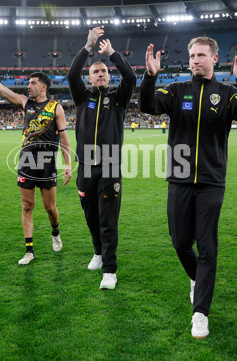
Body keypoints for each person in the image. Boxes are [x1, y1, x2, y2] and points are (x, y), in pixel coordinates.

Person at [140, 38, 237, 338]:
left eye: (201, 55)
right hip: (179, 179)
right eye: (192, 55)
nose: (195, 60)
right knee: (180, 242)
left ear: (214, 58)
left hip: (211, 181)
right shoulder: (176, 90)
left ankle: (200, 313)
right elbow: (147, 106)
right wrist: (150, 76)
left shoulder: (228, 93)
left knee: (207, 246)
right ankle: (197, 278)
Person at [0, 49, 71, 265]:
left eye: (32, 83)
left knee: (50, 208)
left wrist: (67, 164)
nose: (28, 86)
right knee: (27, 206)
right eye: (28, 83)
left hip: (47, 162)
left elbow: (65, 140)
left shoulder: (56, 108)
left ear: (43, 86)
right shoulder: (24, 103)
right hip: (26, 161)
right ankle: (29, 250)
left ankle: (55, 232)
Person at [66, 27, 136, 290]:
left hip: (109, 167)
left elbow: (130, 78)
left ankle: (110, 270)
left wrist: (113, 55)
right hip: (85, 168)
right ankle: (97, 252)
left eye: (104, 72)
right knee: (90, 218)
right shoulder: (82, 98)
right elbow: (72, 74)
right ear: (90, 77)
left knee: (108, 222)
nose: (100, 75)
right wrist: (88, 46)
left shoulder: (117, 100)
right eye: (96, 72)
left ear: (108, 77)